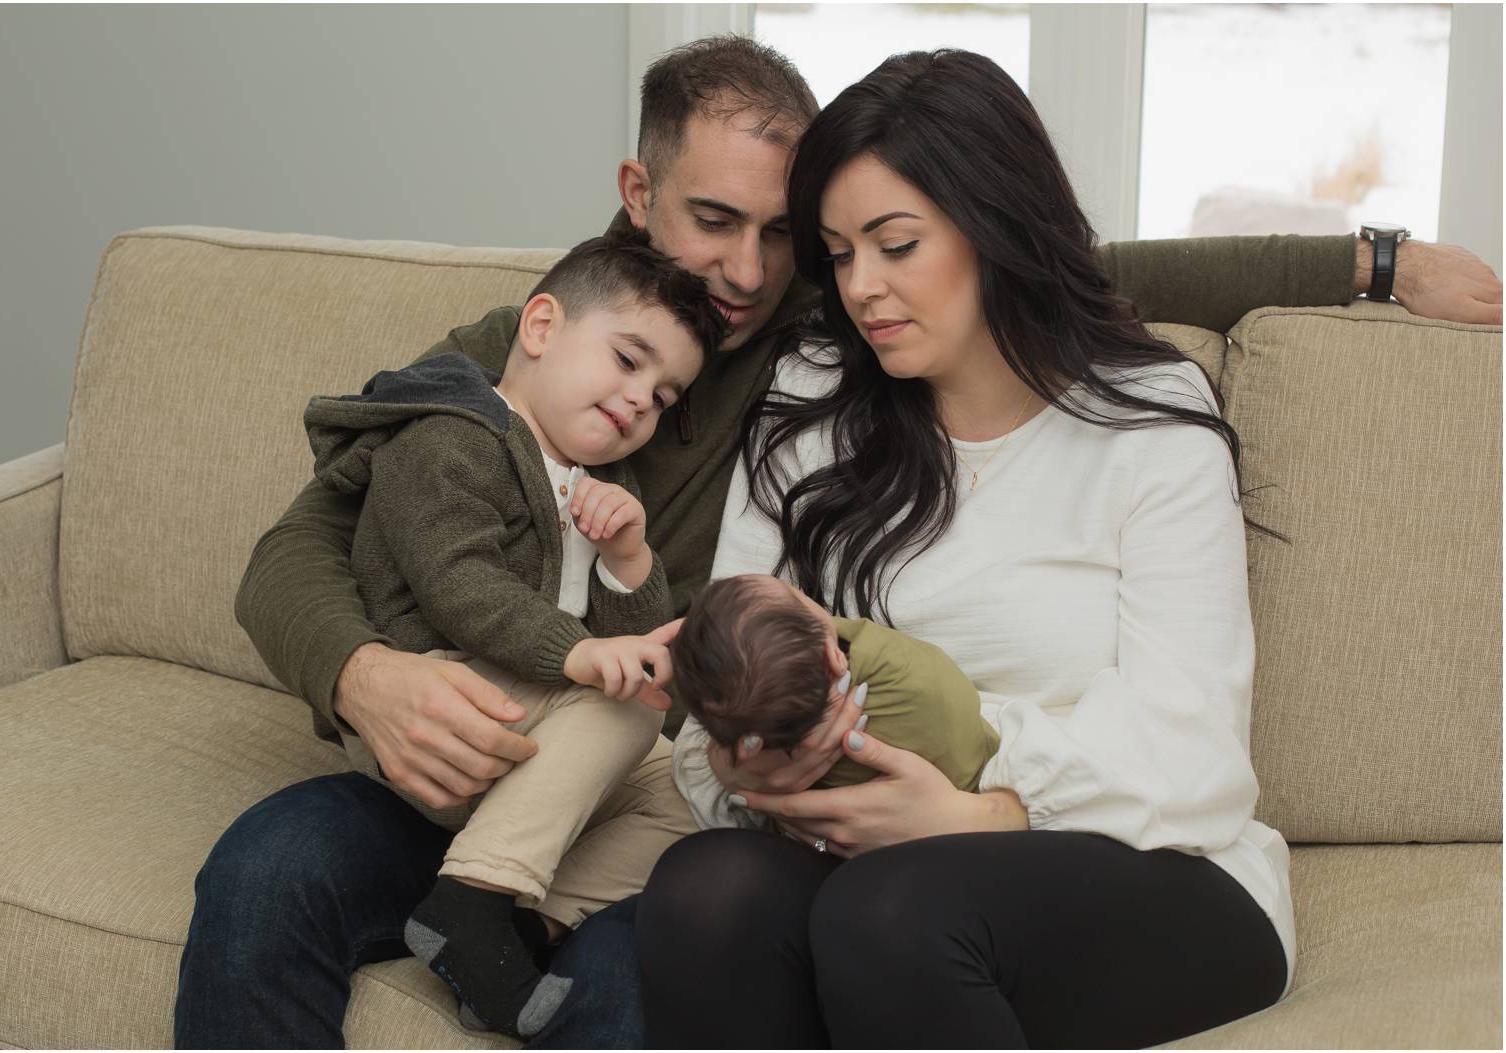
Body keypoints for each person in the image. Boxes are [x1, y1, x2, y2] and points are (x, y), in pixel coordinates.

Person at [174, 34, 1503, 1050]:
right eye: (726, 225)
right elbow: (308, 540)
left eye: (805, 240)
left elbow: (1079, 276)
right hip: (530, 750)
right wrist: (362, 672)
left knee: (776, 921)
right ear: (638, 195)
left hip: (1000, 831)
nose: (767, 273)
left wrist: (1369, 265)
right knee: (305, 870)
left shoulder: (921, 360)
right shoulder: (592, 341)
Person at [637, 47, 1296, 1047]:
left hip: (1155, 866)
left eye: (896, 245)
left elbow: (1194, 757)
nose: (860, 287)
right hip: (865, 852)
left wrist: (972, 807)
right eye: (840, 251)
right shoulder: (812, 398)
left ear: (995, 227)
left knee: (893, 910)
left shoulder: (1150, 418)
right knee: (704, 888)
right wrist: (763, 775)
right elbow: (704, 723)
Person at [300, 230, 718, 1038]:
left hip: (530, 720)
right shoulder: (449, 434)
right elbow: (461, 588)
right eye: (629, 360)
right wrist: (582, 655)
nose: (641, 399)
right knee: (620, 705)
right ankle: (474, 898)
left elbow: (627, 651)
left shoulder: (596, 483)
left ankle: (517, 925)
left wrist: (629, 560)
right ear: (539, 328)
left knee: (696, 784)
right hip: (442, 701)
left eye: (664, 396)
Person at [670, 573, 998, 812]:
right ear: (833, 656)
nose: (800, 588)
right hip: (982, 777)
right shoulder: (895, 662)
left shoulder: (768, 753)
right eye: (795, 593)